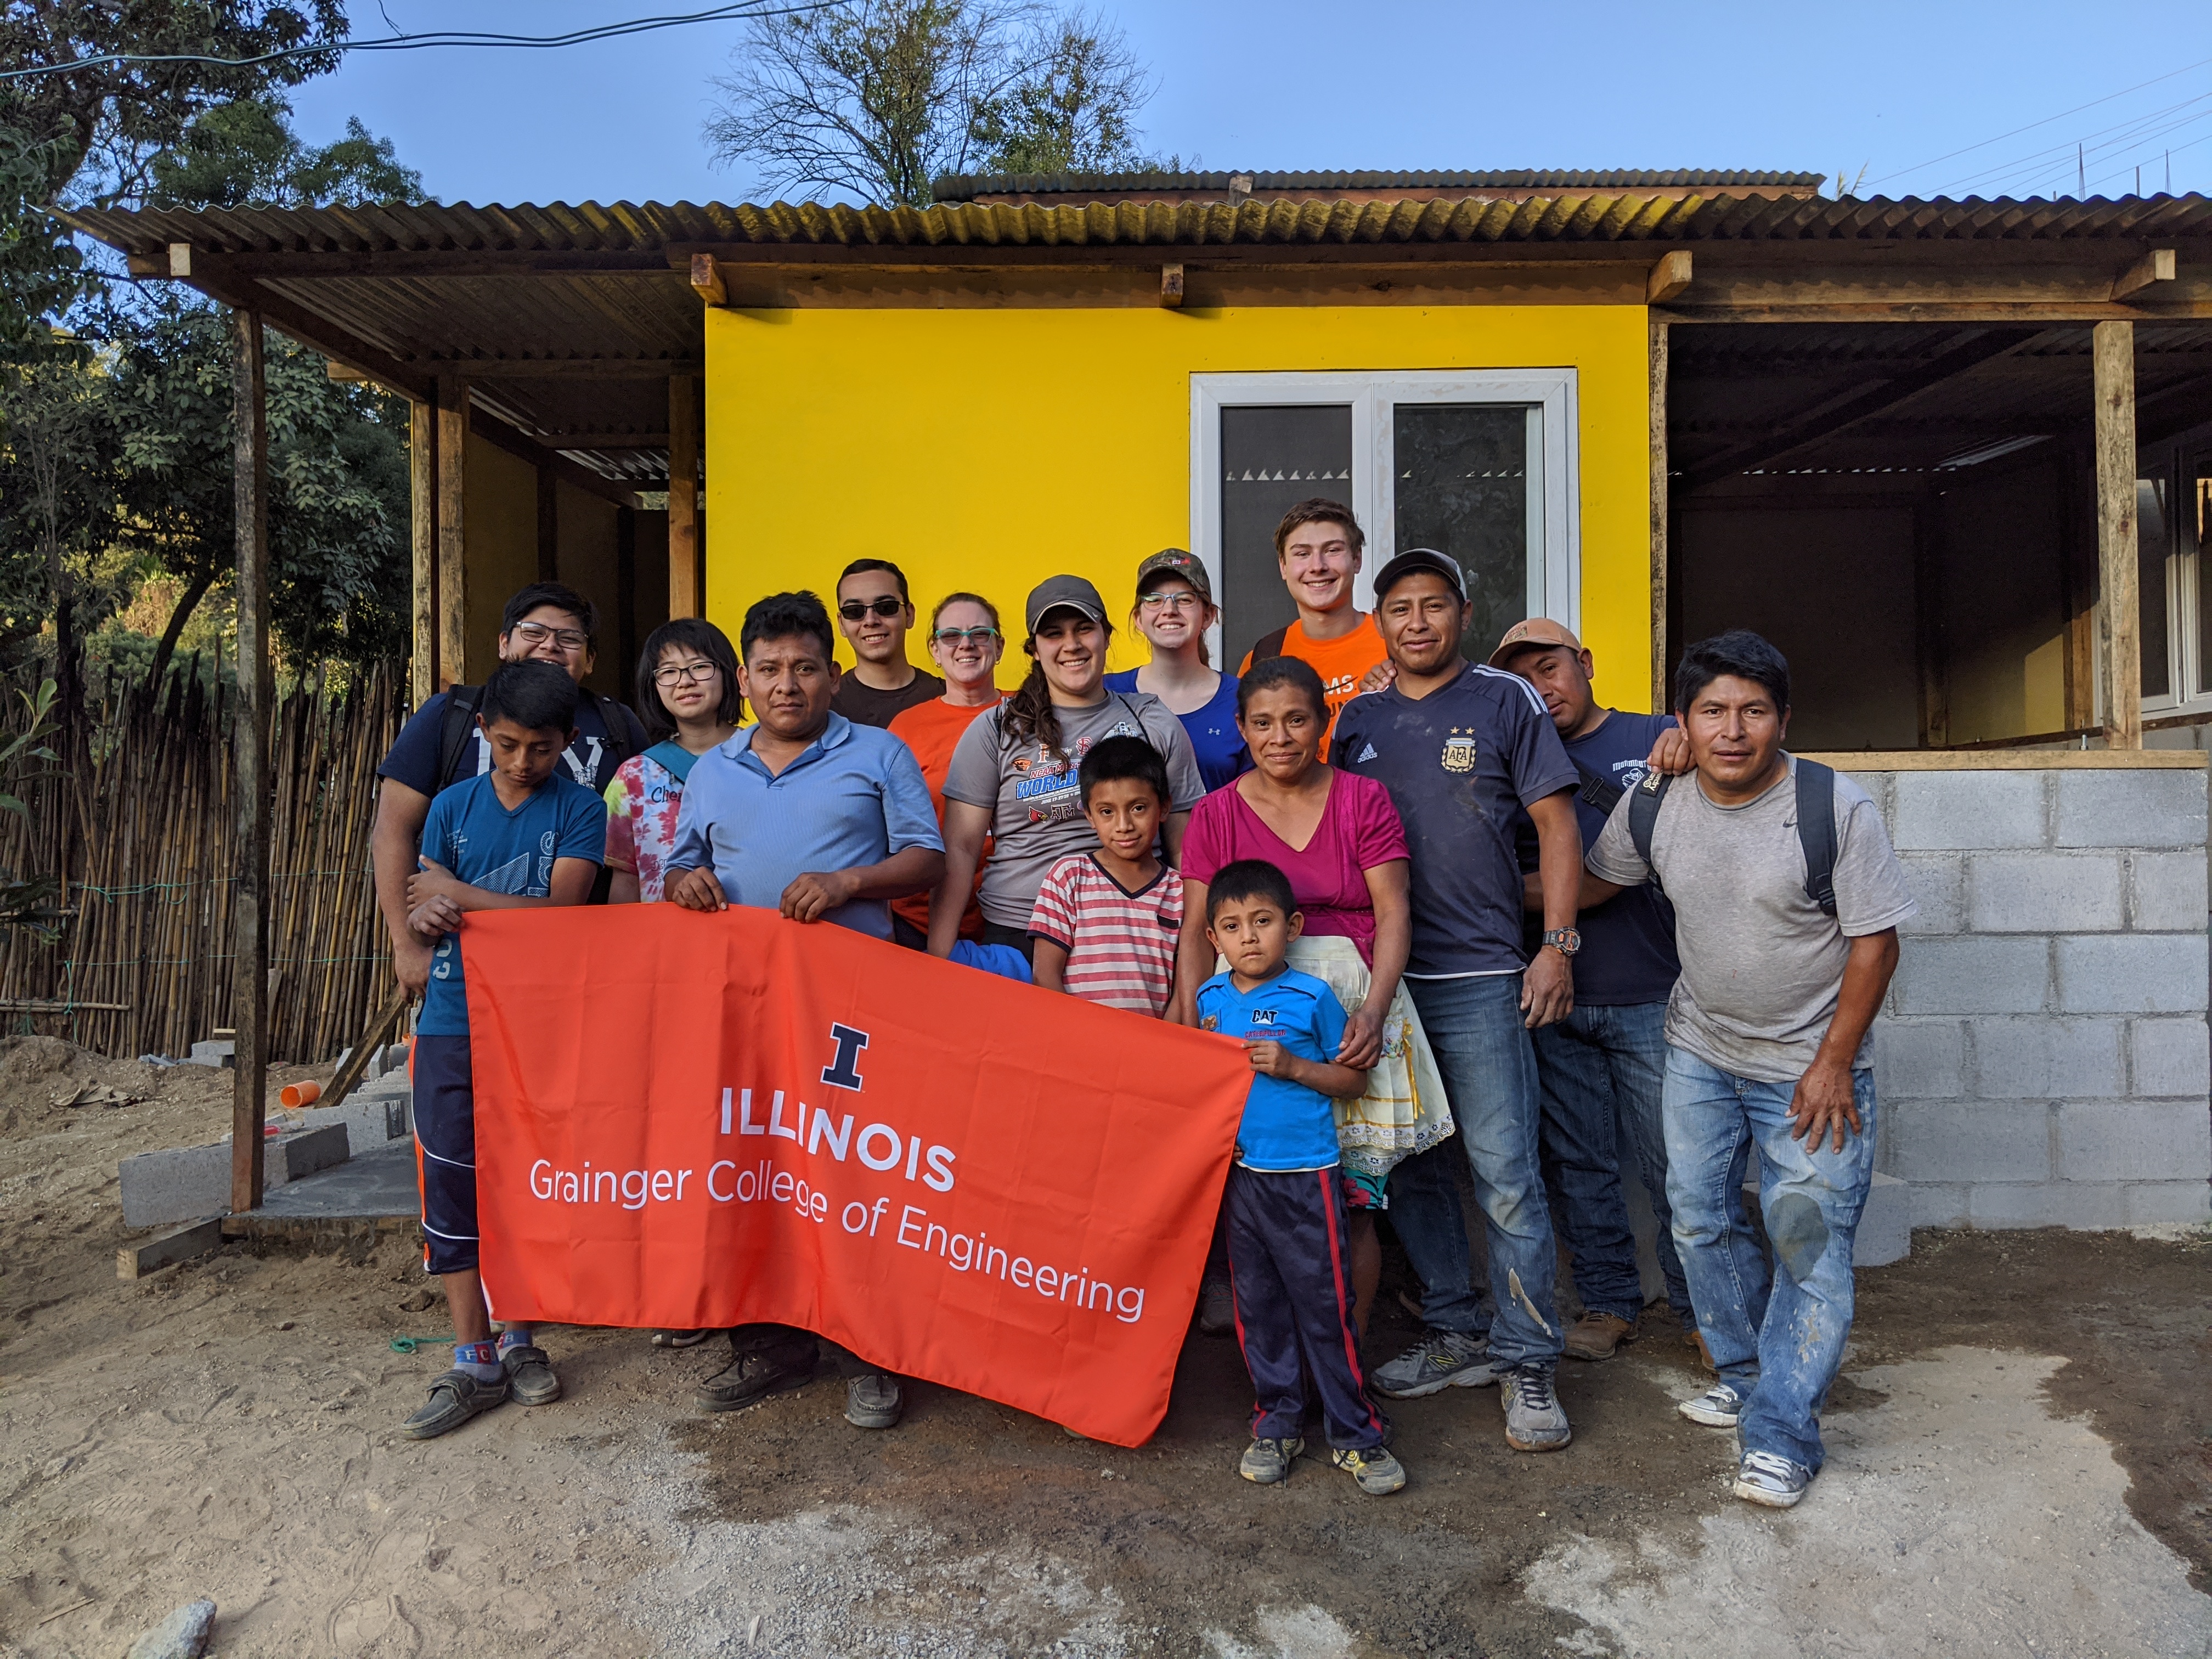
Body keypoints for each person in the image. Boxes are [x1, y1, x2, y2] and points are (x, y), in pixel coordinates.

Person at [1583, 630, 1912, 1510]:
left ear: (1784, 720)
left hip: (1810, 1070)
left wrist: (1834, 1063)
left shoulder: (1833, 807)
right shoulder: (1658, 797)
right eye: (1713, 711)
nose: (1733, 730)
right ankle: (1743, 1371)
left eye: (1753, 711)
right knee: (1696, 1221)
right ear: (1682, 721)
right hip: (1699, 1051)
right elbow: (1594, 881)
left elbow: (1876, 945)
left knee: (1806, 1243)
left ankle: (1783, 1434)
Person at [663, 590, 947, 1431]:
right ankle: (772, 1344)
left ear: (832, 675)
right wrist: (686, 884)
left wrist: (850, 882)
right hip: (744, 1010)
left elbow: (927, 859)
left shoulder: (880, 753)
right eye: (770, 669)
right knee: (755, 1167)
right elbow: (681, 867)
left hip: (851, 1008)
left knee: (855, 1177)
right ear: (744, 680)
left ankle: (871, 1353)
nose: (788, 684)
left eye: (805, 668)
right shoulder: (714, 768)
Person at [1330, 548, 1582, 1455]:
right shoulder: (1355, 719)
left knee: (1506, 1172)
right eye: (1399, 607)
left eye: (1434, 605)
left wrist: (1554, 945)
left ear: (1462, 612)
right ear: (1381, 619)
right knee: (1416, 1168)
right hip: (1386, 983)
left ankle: (1526, 1359)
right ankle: (1456, 1327)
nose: (1417, 621)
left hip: (1481, 975)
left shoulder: (1502, 699)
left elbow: (1555, 823)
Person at [1172, 655, 1450, 1344]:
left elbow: (1395, 913)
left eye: (1297, 719)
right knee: (1260, 1187)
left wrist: (1374, 1010)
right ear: (1241, 728)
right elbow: (1195, 928)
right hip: (1246, 1009)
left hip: (1352, 998)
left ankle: (1344, 1359)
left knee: (1352, 1195)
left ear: (1323, 724)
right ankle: (1277, 1362)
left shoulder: (1363, 799)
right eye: (1262, 723)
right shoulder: (1216, 813)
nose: (1280, 736)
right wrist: (1190, 1022)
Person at [397, 660, 611, 1439]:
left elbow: (561, 915)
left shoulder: (583, 809)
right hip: (452, 1019)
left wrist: (462, 900)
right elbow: (424, 901)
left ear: (570, 744)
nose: (524, 762)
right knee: (452, 1177)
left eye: (542, 749)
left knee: (525, 1181)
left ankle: (522, 1336)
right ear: (484, 732)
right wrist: (431, 915)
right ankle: (472, 1352)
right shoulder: (450, 806)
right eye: (510, 744)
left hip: (539, 1029)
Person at [1493, 616, 1699, 1364]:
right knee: (1578, 1162)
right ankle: (1610, 1301)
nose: (1541, 688)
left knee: (1677, 1160)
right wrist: (1526, 898)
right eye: (1523, 678)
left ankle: (1704, 1311)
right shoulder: (1509, 753)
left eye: (1550, 667)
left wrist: (1691, 738)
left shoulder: (1660, 736)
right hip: (1554, 997)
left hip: (1652, 992)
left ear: (1584, 662)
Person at [1197, 859, 1404, 1497]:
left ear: (1293, 926)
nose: (1249, 937)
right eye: (1232, 926)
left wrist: (1292, 1067)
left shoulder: (1311, 997)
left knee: (1324, 1308)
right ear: (1214, 940)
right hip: (1239, 1181)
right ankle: (1277, 1423)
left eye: (1262, 922)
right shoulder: (1209, 1002)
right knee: (1256, 1309)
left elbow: (1353, 1080)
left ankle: (1357, 1435)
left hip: (1305, 1175)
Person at [373, 582, 647, 997]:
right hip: (465, 960)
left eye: (569, 638)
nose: (550, 646)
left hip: (578, 962)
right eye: (534, 632)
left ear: (590, 659)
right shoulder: (452, 716)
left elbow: (642, 842)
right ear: (504, 643)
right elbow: (393, 830)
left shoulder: (618, 724)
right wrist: (407, 944)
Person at [932, 575, 1203, 962]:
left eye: (1084, 629)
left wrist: (1193, 947)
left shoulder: (1152, 719)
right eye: (1054, 634)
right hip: (1019, 932)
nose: (1072, 645)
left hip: (1131, 929)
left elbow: (1186, 848)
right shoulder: (998, 728)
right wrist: (938, 952)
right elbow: (960, 848)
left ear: (1106, 637)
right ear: (1035, 650)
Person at [1026, 736, 1183, 1014]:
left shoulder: (1180, 891)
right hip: (1080, 1043)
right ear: (1089, 816)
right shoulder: (1069, 877)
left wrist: (1164, 1043)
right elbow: (1045, 977)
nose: (1123, 826)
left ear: (1164, 808)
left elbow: (1184, 991)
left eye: (1138, 808)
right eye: (1107, 812)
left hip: (1154, 1049)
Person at [885, 593, 1005, 950]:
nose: (966, 645)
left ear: (999, 646)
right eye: (951, 636)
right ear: (935, 651)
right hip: (920, 922)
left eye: (980, 634)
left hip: (1014, 920)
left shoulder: (1032, 713)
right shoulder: (906, 728)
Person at [604, 617, 745, 906]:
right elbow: (626, 881)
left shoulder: (763, 757)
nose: (685, 681)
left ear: (730, 673)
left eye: (700, 667)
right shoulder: (634, 777)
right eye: (668, 672)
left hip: (750, 930)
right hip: (664, 940)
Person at [1234, 500, 1390, 756]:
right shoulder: (1265, 658)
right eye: (1302, 554)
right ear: (1283, 566)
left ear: (1357, 559)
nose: (1317, 566)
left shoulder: (1395, 642)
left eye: (1332, 550)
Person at [1104, 549, 1245, 791]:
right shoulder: (1106, 693)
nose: (1169, 610)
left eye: (1185, 599)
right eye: (1154, 600)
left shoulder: (1242, 698)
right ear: (1139, 618)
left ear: (1209, 615)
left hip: (1217, 830)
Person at [829, 557, 944, 727]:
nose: (870, 620)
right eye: (854, 611)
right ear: (841, 624)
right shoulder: (825, 709)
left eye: (886, 607)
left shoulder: (947, 697)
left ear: (909, 615)